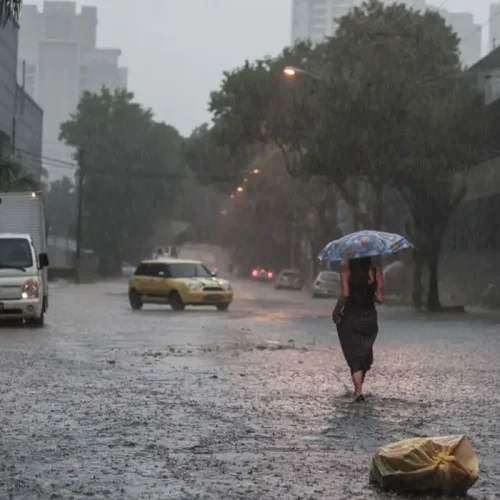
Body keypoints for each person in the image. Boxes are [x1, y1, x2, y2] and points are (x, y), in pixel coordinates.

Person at [332, 256, 384, 402]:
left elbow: (345, 294)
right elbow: (380, 298)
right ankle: (359, 388)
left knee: (354, 355)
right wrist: (368, 293)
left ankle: (358, 392)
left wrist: (336, 311)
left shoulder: (346, 270)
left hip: (352, 316)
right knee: (364, 354)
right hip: (370, 318)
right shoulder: (375, 271)